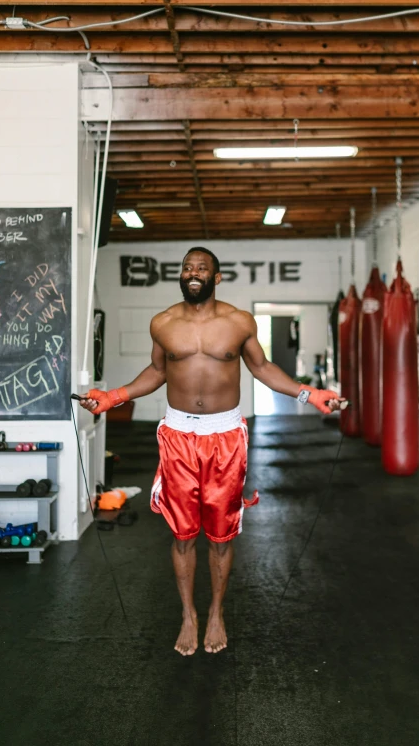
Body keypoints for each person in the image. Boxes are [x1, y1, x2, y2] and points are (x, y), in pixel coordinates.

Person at [78, 247, 345, 657]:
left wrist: (311, 395)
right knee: (182, 534)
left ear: (216, 277)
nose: (193, 273)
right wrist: (112, 397)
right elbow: (156, 372)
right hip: (178, 435)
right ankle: (189, 614)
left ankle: (216, 612)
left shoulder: (238, 321)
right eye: (187, 267)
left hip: (226, 436)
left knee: (221, 535)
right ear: (181, 276)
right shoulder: (163, 323)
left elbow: (263, 368)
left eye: (202, 268)